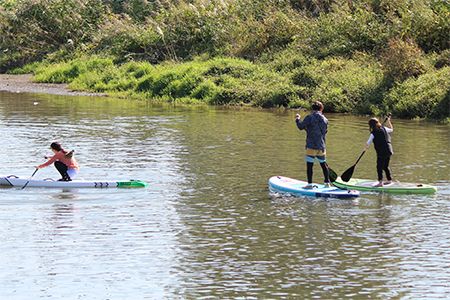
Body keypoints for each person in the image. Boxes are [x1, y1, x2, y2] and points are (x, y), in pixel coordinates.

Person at [295, 101, 330, 188]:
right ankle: (327, 183)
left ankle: (310, 184)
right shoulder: (325, 119)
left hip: (311, 146)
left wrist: (297, 119)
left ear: (312, 109)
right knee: (324, 165)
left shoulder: (309, 117)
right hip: (321, 146)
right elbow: (325, 132)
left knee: (310, 165)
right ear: (321, 109)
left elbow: (300, 126)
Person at [364, 115, 393, 187]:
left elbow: (368, 143)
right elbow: (391, 129)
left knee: (379, 167)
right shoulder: (384, 128)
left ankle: (380, 182)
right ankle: (389, 180)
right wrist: (389, 121)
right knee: (385, 166)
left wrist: (365, 149)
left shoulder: (373, 133)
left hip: (381, 152)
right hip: (389, 150)